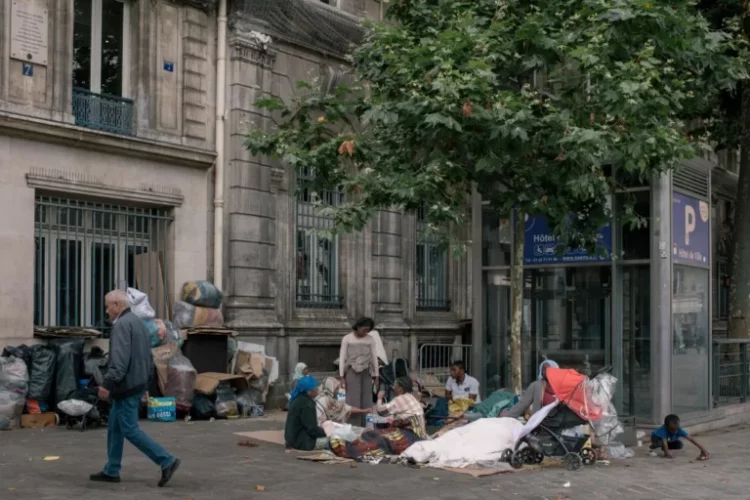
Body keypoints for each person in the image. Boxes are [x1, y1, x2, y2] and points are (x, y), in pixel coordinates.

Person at [90, 290, 180, 487]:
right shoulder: (137, 322)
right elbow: (147, 356)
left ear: (116, 305)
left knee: (130, 429)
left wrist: (107, 384)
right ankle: (112, 470)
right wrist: (145, 384)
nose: (106, 311)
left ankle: (166, 460)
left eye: (107, 306)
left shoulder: (121, 325)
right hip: (135, 383)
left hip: (126, 386)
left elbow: (119, 362)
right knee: (115, 427)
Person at [339, 317, 379, 426]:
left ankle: (368, 427)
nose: (365, 332)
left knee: (367, 400)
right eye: (364, 329)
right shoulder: (347, 338)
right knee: (353, 400)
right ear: (358, 326)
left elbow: (374, 358)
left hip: (366, 372)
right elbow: (342, 358)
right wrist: (341, 377)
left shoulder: (370, 339)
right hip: (352, 371)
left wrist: (376, 376)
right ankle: (353, 426)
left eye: (368, 331)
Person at [285, 375, 328, 451]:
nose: (317, 390)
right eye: (315, 388)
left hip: (291, 440)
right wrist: (326, 432)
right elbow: (312, 429)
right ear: (309, 391)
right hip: (302, 442)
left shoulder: (297, 399)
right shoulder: (307, 404)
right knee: (335, 440)